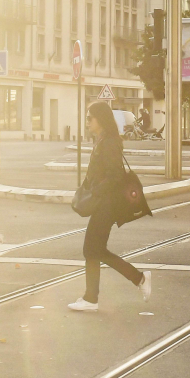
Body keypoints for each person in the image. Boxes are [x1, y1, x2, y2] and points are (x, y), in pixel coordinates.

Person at [70, 99, 153, 312]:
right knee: (95, 250)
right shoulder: (104, 139)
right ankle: (134, 280)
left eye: (90, 118)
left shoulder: (108, 143)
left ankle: (95, 297)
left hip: (106, 204)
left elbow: (115, 175)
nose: (87, 122)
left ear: (101, 119)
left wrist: (96, 191)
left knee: (92, 249)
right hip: (102, 203)